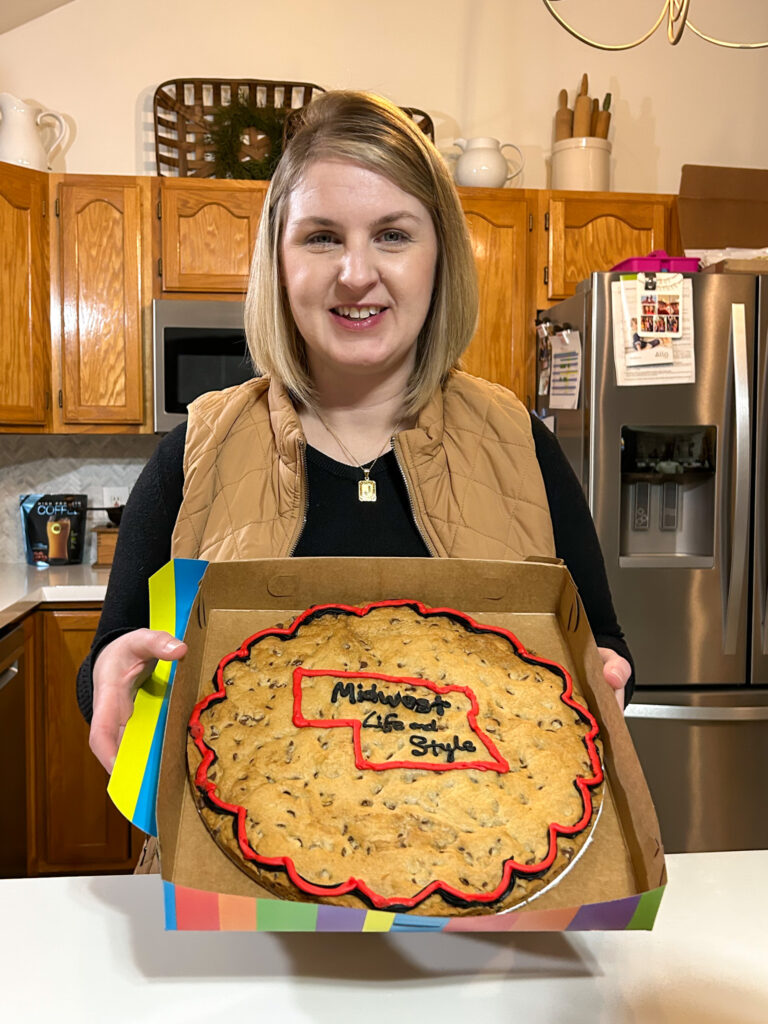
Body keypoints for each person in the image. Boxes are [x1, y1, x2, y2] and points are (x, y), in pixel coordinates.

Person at [78, 90, 633, 775]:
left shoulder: (520, 444)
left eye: (393, 235)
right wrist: (110, 674)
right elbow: (114, 657)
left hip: (476, 865)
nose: (357, 274)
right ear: (279, 264)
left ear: (440, 258)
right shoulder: (193, 454)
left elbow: (600, 644)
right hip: (239, 873)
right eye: (322, 237)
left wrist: (605, 677)